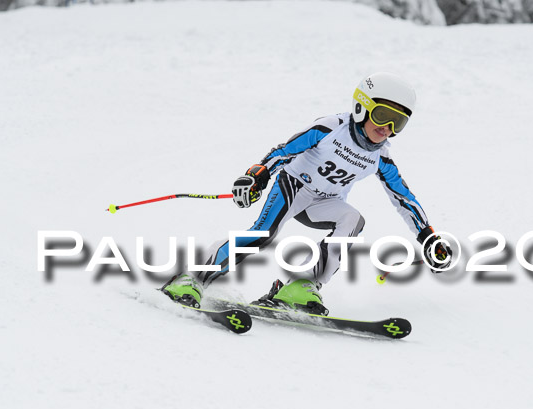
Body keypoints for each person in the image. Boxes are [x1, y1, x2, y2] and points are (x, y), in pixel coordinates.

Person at [162, 72, 451, 315]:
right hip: (294, 187)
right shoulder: (330, 128)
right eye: (383, 116)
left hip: (326, 202)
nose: (387, 128)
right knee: (262, 234)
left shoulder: (381, 158)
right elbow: (284, 151)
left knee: (353, 220)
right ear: (362, 107)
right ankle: (192, 277)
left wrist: (428, 236)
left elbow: (403, 198)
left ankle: (301, 284)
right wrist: (257, 175)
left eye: (397, 122)